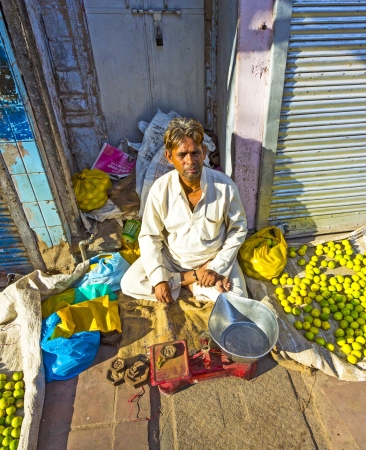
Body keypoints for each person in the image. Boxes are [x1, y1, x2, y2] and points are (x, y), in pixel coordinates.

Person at [121, 118, 248, 303]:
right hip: (172, 260)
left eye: (195, 153)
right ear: (169, 157)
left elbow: (238, 229)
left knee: (237, 299)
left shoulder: (224, 186)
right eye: (182, 155)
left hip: (211, 259)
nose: (190, 161)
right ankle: (192, 281)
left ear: (204, 152)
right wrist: (159, 279)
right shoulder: (159, 189)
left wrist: (217, 268)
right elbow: (149, 236)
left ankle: (188, 283)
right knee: (130, 282)